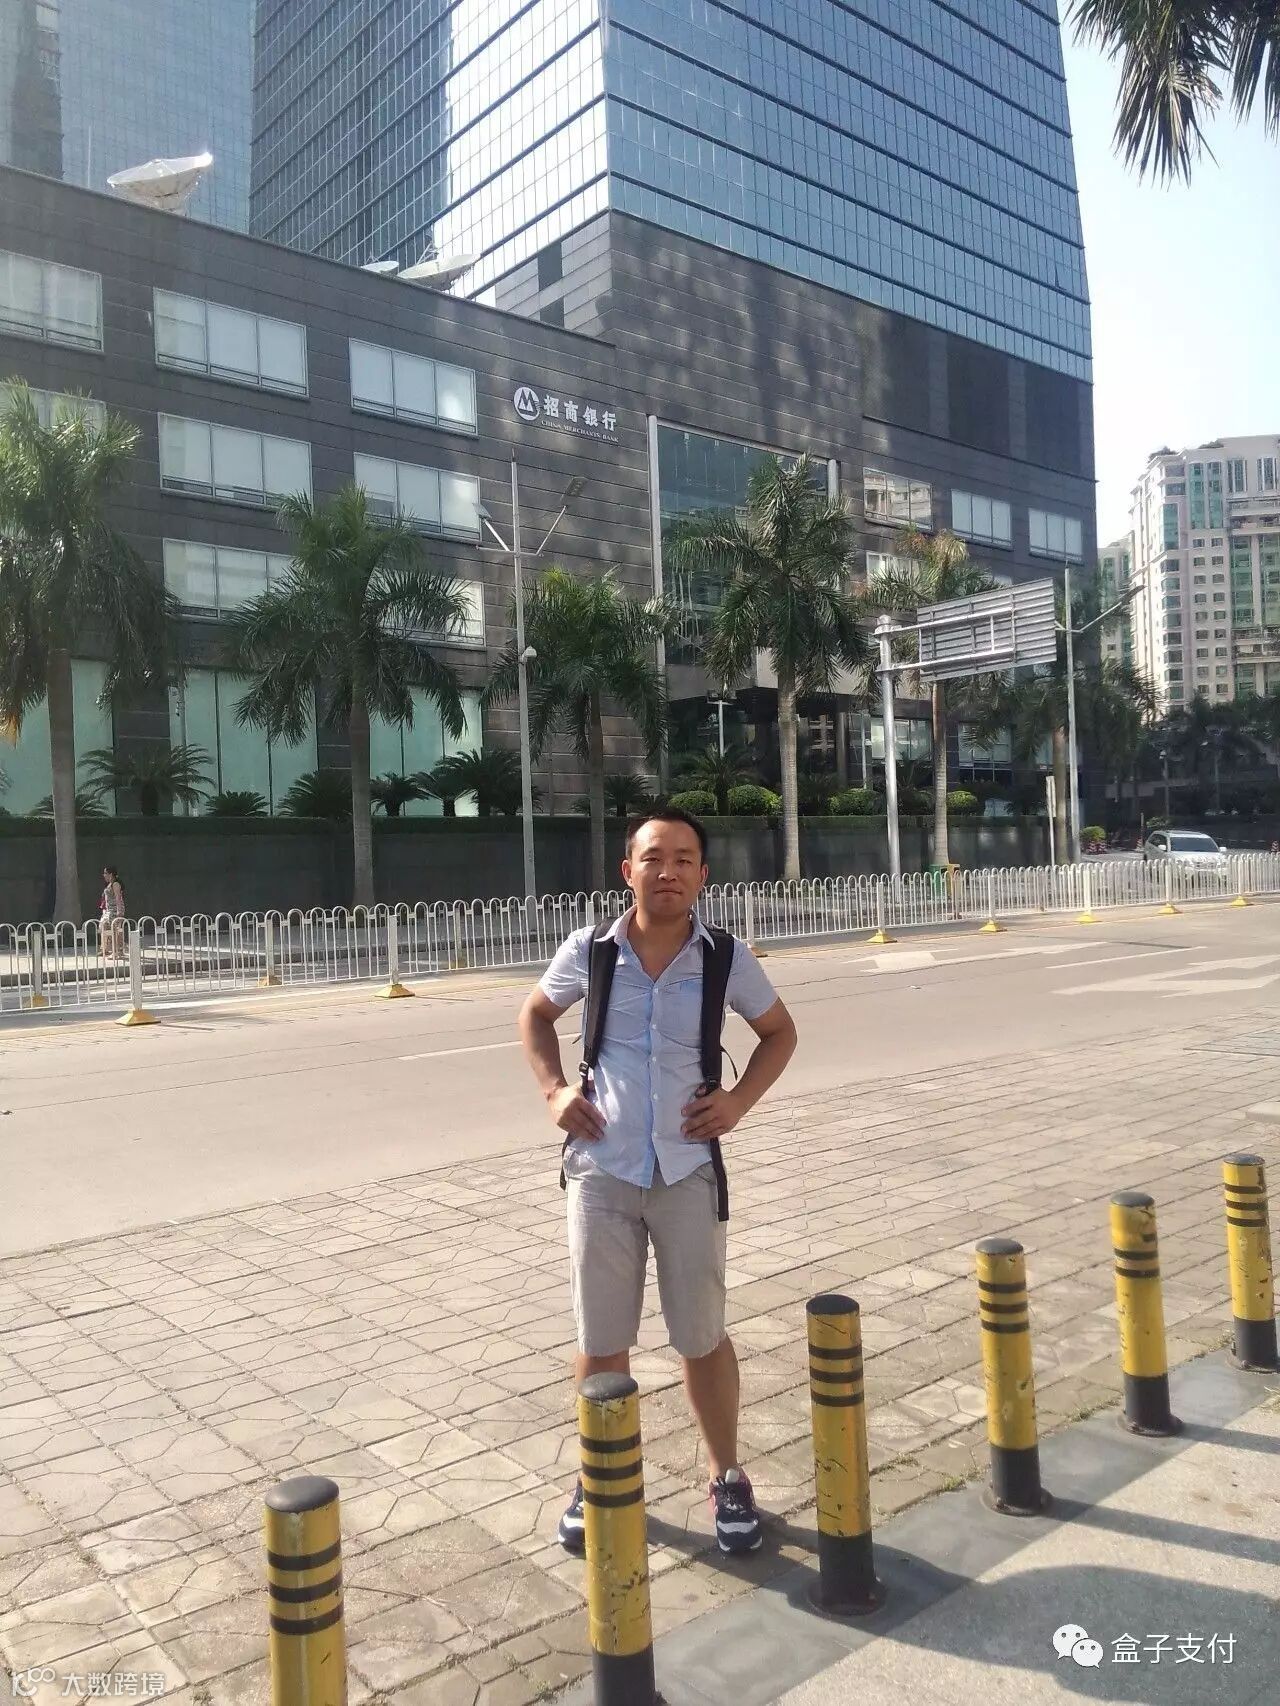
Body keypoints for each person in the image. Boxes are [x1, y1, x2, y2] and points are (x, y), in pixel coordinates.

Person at [519, 806, 797, 1556]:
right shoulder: (590, 951)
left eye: (682, 859)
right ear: (628, 871)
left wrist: (737, 1102)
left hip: (686, 1172)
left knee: (701, 1337)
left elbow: (779, 1033)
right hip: (601, 1172)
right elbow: (535, 1016)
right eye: (653, 858)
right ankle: (600, 1478)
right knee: (601, 1338)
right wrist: (554, 1091)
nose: (667, 871)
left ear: (702, 875)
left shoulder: (726, 958)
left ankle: (726, 1475)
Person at [99, 865, 125, 958]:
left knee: (114, 930)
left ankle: (116, 951)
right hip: (108, 910)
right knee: (103, 926)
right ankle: (105, 948)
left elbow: (118, 898)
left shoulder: (115, 884)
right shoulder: (109, 884)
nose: (104, 875)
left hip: (114, 910)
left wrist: (119, 911)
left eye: (105, 873)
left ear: (111, 874)